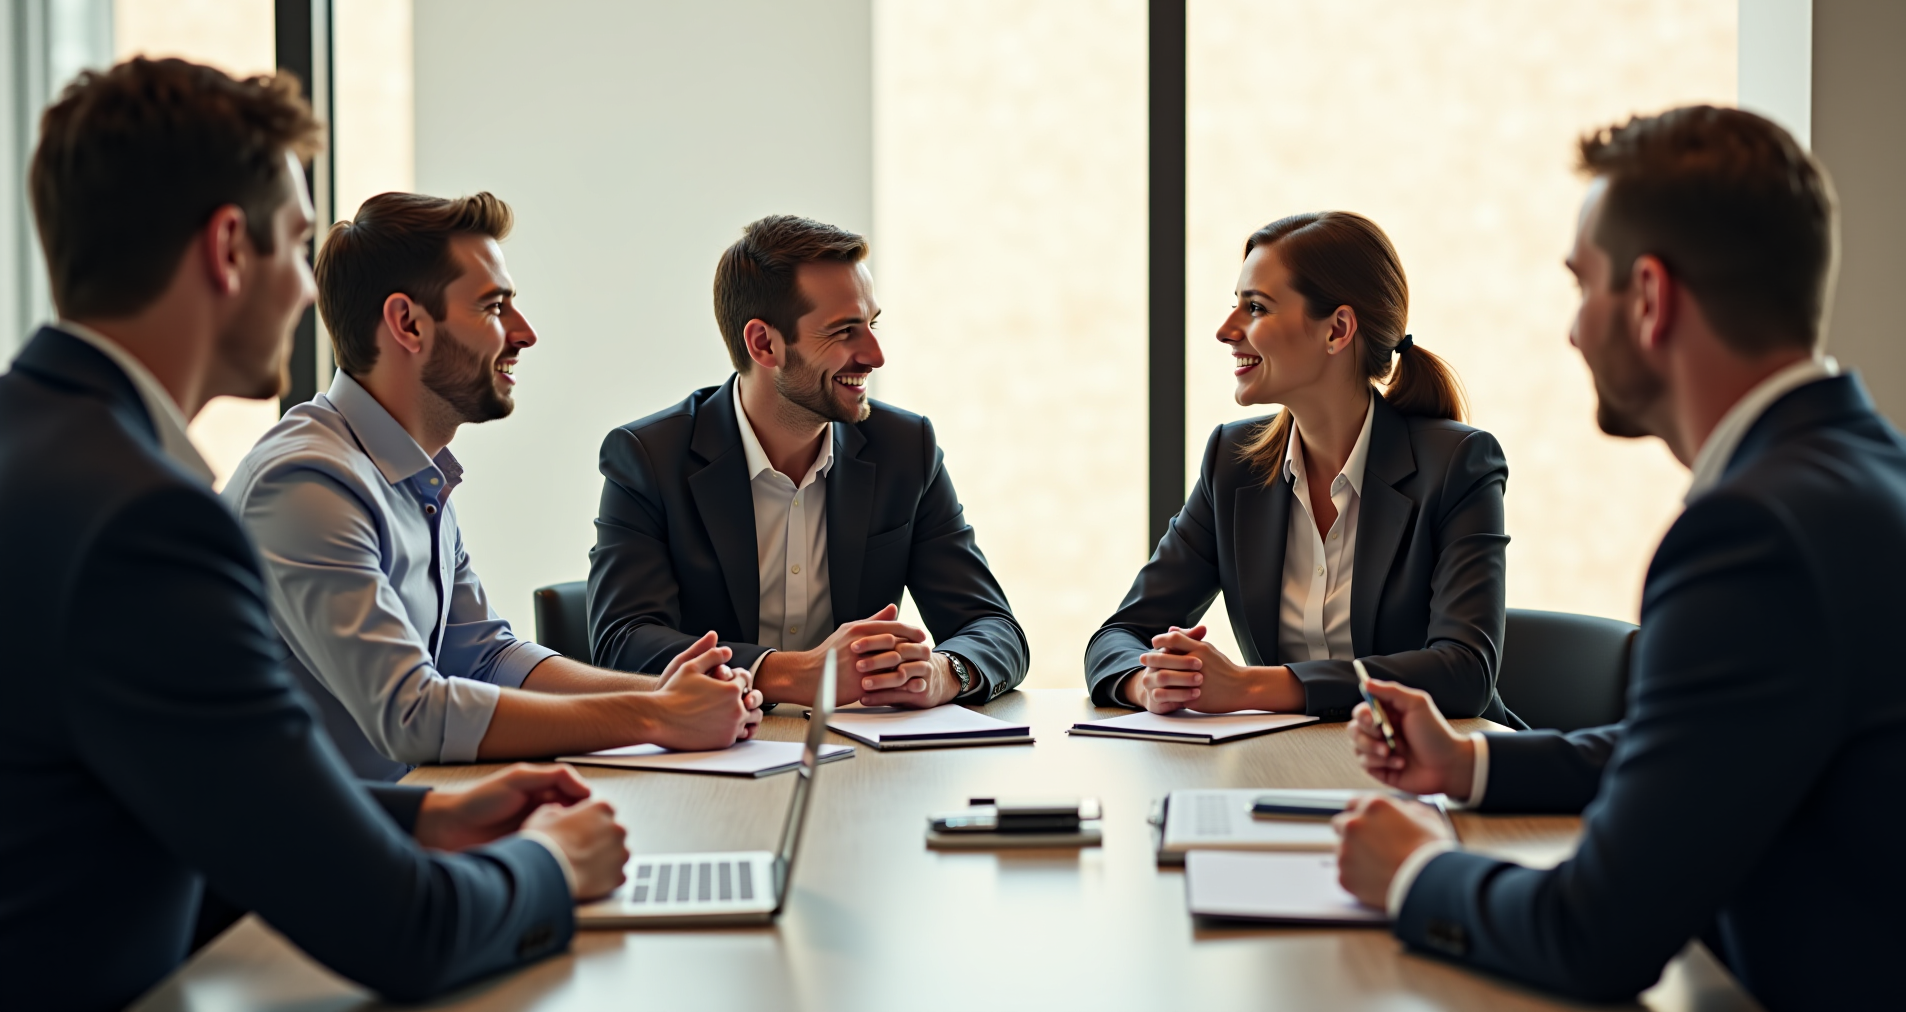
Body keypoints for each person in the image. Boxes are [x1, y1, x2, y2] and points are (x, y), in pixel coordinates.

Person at [0, 58, 628, 1012]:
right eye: (296, 247)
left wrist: (422, 816)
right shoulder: (147, 520)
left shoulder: (40, 453)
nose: (305, 291)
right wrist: (551, 865)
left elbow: (184, 801)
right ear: (226, 249)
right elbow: (401, 931)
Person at [1335, 106, 1906, 1011]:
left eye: (1583, 285)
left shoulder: (1753, 535)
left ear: (1650, 299)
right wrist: (1469, 767)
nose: (1572, 331)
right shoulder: (1884, 476)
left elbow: (1592, 933)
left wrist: (1413, 875)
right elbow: (1707, 745)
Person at [225, 192, 762, 783]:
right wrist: (655, 715)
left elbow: (487, 656)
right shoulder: (307, 484)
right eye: (494, 307)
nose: (525, 333)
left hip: (407, 821)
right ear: (407, 323)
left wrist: (668, 691)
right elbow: (413, 713)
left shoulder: (411, 474)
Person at [1085, 212, 1513, 724]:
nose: (1226, 331)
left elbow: (1463, 674)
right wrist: (1148, 682)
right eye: (1235, 306)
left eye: (1256, 307)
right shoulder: (1233, 462)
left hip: (1436, 780)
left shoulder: (1458, 465)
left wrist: (1251, 686)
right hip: (1288, 770)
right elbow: (1119, 635)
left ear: (1337, 330)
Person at [589, 214, 1028, 707]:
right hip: (710, 753)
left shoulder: (905, 448)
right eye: (843, 332)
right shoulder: (649, 457)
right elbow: (622, 642)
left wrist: (945, 672)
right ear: (764, 344)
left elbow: (993, 628)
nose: (875, 354)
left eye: (872, 325)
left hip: (862, 758)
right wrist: (789, 674)